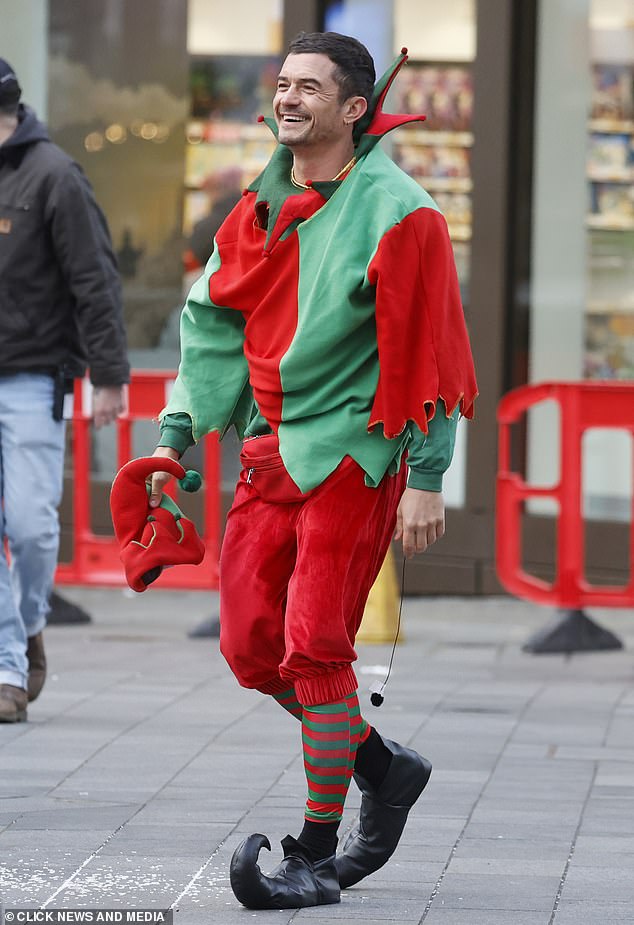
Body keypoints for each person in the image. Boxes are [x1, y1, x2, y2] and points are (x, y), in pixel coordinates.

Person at [150, 32, 477, 909]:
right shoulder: (257, 202)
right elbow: (210, 322)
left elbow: (435, 350)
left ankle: (313, 850)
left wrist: (426, 474)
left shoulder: (401, 210)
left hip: (353, 458)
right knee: (252, 649)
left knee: (315, 648)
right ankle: (382, 765)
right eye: (281, 84)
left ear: (355, 109)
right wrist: (172, 440)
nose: (286, 98)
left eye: (308, 88)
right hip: (268, 450)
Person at [0, 59, 130, 723]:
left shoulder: (53, 176)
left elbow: (95, 281)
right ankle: (5, 669)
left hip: (30, 376)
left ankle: (26, 626)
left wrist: (108, 375)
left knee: (28, 524)